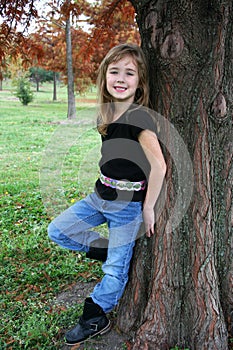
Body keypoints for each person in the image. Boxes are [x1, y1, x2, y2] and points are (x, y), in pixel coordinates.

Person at [48, 43, 167, 346]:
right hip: (98, 197)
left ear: (140, 83)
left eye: (130, 73)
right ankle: (104, 247)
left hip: (127, 209)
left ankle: (95, 314)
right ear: (105, 76)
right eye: (114, 71)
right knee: (58, 230)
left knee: (115, 271)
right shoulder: (109, 113)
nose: (121, 78)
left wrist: (149, 207)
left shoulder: (140, 118)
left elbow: (159, 165)